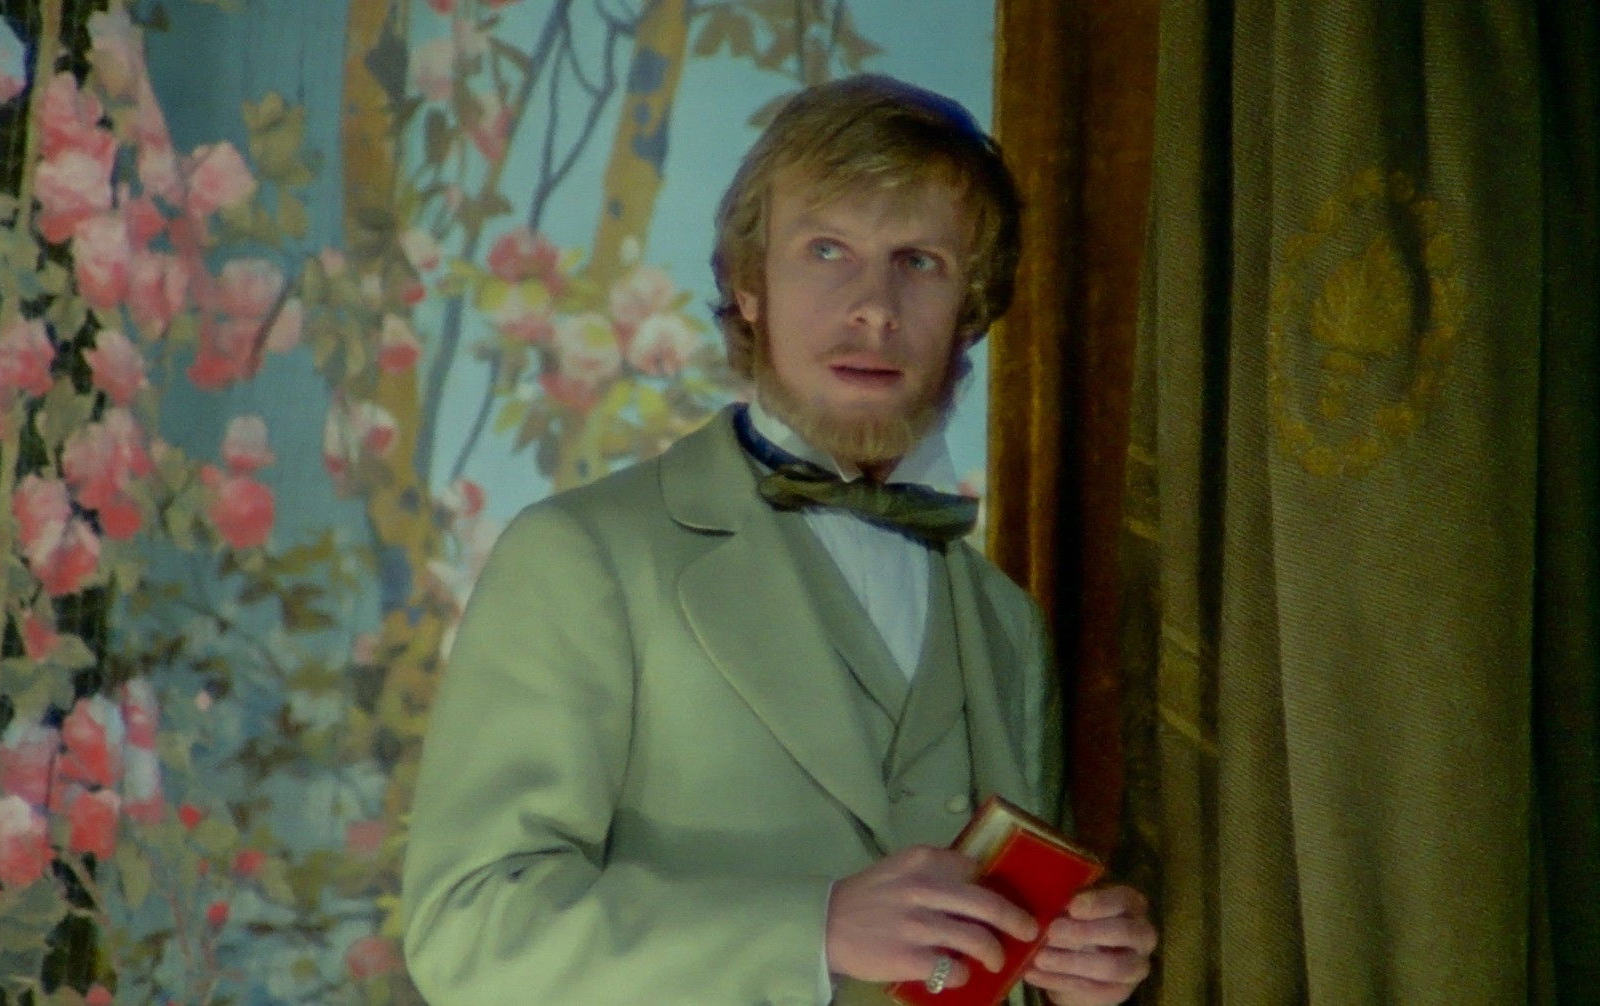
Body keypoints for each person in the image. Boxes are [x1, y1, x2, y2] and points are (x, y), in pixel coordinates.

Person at [401, 74, 1156, 1005]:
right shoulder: (583, 555)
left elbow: (982, 965)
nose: (874, 306)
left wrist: (1076, 973)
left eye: (919, 261)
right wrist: (814, 929)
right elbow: (469, 930)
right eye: (827, 250)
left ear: (970, 310)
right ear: (748, 287)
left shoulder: (1007, 626)